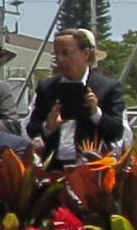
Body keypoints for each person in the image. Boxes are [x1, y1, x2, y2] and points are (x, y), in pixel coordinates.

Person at [27, 27, 126, 161]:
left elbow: (116, 132)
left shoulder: (108, 88)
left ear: (85, 54)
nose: (60, 59)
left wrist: (95, 113)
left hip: (90, 169)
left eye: (66, 53)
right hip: (52, 168)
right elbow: (32, 128)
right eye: (56, 54)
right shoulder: (47, 87)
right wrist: (48, 127)